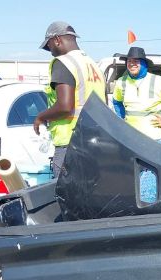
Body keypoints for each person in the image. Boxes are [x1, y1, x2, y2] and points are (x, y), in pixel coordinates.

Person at [33, 21, 104, 176]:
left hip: (71, 143)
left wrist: (40, 117)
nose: (50, 51)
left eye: (49, 45)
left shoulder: (63, 62)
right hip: (95, 142)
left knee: (66, 198)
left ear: (57, 39)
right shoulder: (93, 65)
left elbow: (65, 106)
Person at [112, 47, 161, 141]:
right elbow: (116, 102)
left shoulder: (157, 81)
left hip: (153, 139)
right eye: (129, 61)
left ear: (143, 63)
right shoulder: (121, 81)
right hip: (129, 138)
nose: (131, 64)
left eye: (136, 61)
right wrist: (122, 120)